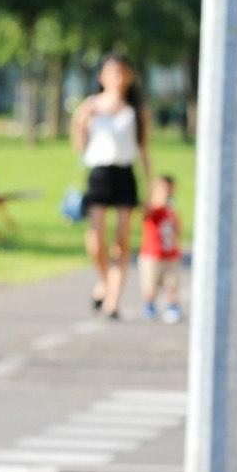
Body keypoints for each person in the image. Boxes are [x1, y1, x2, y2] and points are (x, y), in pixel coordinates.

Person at [70, 54, 152, 319]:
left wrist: (151, 187)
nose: (117, 78)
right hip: (99, 173)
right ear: (101, 77)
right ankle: (105, 281)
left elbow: (144, 150)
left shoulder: (135, 110)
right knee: (96, 238)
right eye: (111, 73)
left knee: (122, 238)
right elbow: (79, 147)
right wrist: (81, 120)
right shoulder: (91, 106)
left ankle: (113, 299)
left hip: (125, 172)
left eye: (122, 73)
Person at [139, 175, 182, 324]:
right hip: (152, 255)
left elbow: (176, 229)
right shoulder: (153, 209)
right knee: (150, 284)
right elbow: (146, 213)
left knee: (172, 283)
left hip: (170, 255)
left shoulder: (172, 210)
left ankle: (173, 306)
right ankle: (150, 305)